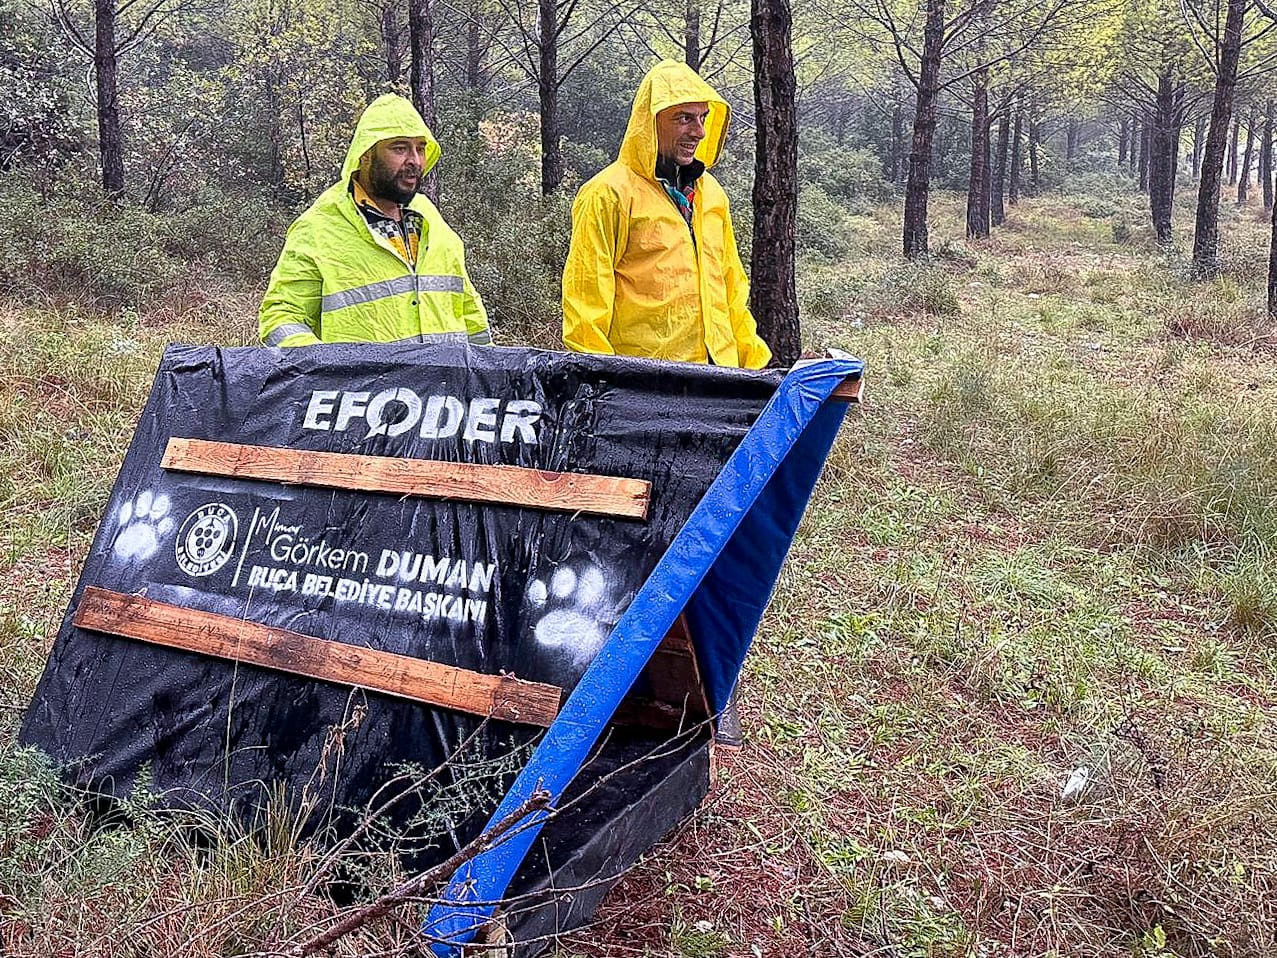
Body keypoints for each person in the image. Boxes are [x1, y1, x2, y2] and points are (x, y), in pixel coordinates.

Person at [561, 60, 771, 368]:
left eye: (702, 118)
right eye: (684, 118)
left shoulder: (710, 193)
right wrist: (604, 386)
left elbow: (732, 292)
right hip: (645, 384)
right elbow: (585, 302)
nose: (698, 132)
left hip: (718, 378)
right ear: (651, 121)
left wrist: (755, 368)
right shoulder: (608, 193)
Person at [259, 94, 490, 348]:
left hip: (447, 386)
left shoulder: (430, 218)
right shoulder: (319, 227)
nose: (414, 160)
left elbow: (469, 313)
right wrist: (325, 371)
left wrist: (488, 379)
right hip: (364, 388)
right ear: (366, 154)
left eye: (420, 148)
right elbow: (281, 316)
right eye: (400, 148)